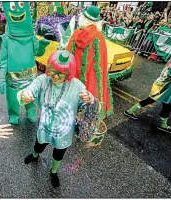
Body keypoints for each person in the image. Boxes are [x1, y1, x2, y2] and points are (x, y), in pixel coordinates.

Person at [19, 50, 98, 187]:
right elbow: (31, 88)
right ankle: (35, 155)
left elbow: (91, 104)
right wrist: (25, 94)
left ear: (69, 73)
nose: (54, 76)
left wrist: (90, 98)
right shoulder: (43, 79)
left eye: (61, 73)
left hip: (64, 132)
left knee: (59, 153)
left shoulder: (77, 86)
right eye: (52, 70)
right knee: (39, 144)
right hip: (45, 126)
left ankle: (54, 171)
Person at [65, 6, 113, 148]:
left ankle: (71, 125)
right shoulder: (99, 37)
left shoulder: (76, 34)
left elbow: (68, 55)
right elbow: (101, 62)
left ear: (84, 18)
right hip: (92, 79)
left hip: (75, 76)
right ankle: (86, 132)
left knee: (74, 100)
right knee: (91, 104)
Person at [0, 1, 49, 124]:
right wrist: (1, 78)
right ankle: (13, 114)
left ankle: (31, 112)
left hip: (30, 74)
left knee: (31, 95)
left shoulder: (31, 37)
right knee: (12, 98)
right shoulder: (7, 39)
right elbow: (3, 60)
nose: (17, 11)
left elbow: (37, 52)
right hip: (13, 76)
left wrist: (42, 46)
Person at [124, 59, 171, 133]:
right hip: (163, 88)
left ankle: (130, 111)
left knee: (160, 103)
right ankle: (163, 125)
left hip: (162, 85)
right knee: (166, 105)